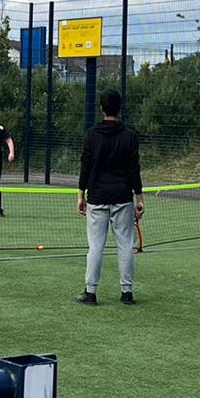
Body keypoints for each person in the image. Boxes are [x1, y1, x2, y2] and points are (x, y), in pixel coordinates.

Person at [76, 89, 144, 305]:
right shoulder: (130, 136)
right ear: (119, 108)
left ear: (102, 108)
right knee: (125, 244)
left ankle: (91, 291)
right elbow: (134, 169)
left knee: (96, 245)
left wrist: (81, 194)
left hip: (96, 197)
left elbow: (85, 167)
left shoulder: (91, 135)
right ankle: (126, 293)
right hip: (122, 197)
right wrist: (140, 198)